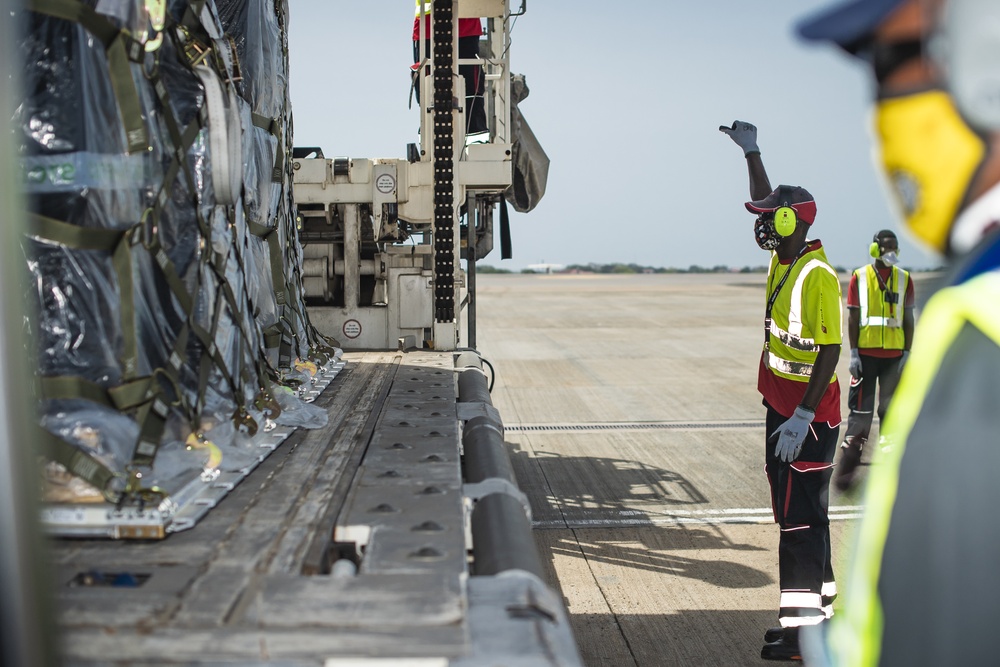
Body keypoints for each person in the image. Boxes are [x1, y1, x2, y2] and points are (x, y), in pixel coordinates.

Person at [794, 0, 1000, 664]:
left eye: (891, 62)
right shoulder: (962, 297)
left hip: (888, 359)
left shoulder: (982, 332)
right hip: (876, 361)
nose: (880, 111)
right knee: (866, 425)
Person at [721, 121, 843, 662]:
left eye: (772, 217)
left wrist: (804, 417)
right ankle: (819, 617)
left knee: (799, 522)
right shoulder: (784, 259)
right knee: (800, 514)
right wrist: (752, 154)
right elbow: (761, 197)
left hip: (808, 416)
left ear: (792, 220)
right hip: (781, 405)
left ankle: (802, 636)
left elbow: (830, 351)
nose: (763, 224)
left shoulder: (817, 274)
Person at [836, 229, 914, 492]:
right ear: (875, 250)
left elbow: (909, 318)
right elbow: (853, 317)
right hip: (866, 355)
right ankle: (852, 453)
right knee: (861, 409)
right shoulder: (860, 277)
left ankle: (891, 453)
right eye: (887, 247)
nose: (892, 252)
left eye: (895, 247)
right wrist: (854, 353)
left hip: (894, 356)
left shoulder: (904, 279)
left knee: (890, 408)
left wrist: (908, 352)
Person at [412, 1, 488, 137]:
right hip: (430, 24)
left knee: (469, 86)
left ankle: (475, 136)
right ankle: (430, 135)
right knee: (430, 86)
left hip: (461, 24)